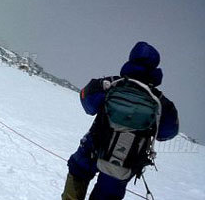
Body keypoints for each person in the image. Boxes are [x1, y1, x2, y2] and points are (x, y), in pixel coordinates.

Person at [62, 41, 179, 200]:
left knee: (78, 174)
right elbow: (168, 132)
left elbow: (87, 103)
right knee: (108, 194)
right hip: (124, 161)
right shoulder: (160, 102)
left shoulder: (110, 84)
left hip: (91, 148)